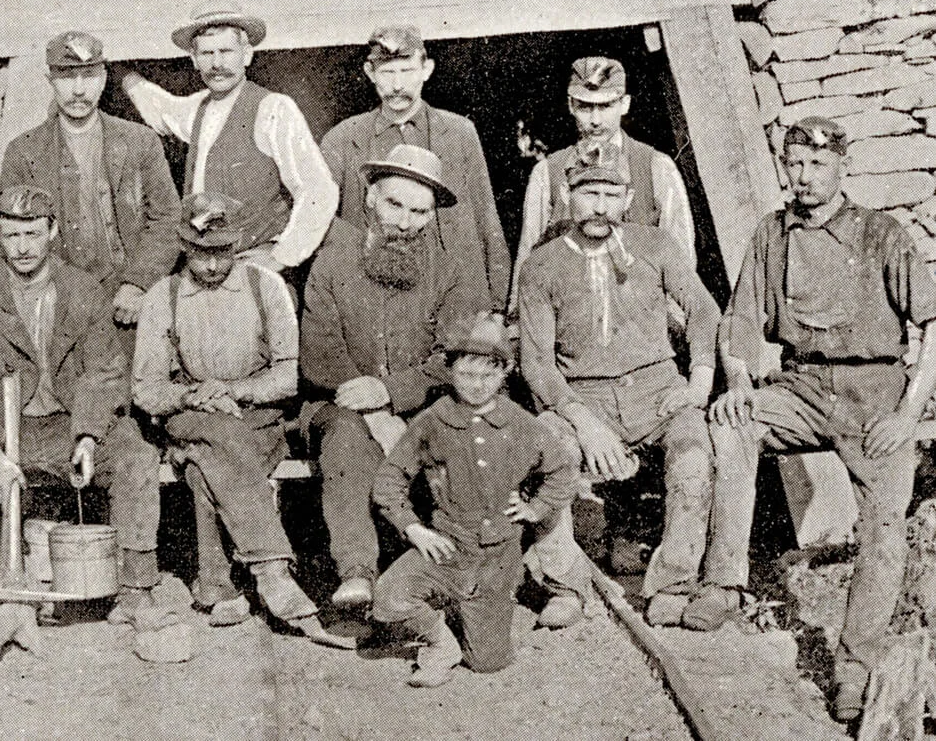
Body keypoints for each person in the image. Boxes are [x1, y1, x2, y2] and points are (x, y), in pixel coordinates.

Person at [688, 116, 936, 722]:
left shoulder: (882, 235)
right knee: (730, 424)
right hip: (801, 383)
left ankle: (854, 665)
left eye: (816, 166)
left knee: (882, 527)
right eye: (794, 165)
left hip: (876, 392)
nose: (803, 177)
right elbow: (741, 321)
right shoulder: (771, 233)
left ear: (841, 169)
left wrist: (908, 413)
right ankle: (724, 580)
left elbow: (932, 324)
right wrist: (741, 380)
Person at [133, 191, 353, 648]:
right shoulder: (163, 296)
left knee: (204, 464)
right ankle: (273, 571)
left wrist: (232, 392)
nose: (213, 266)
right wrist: (197, 395)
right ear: (183, 247)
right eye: (200, 255)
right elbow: (146, 390)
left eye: (222, 253)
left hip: (257, 420)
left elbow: (290, 374)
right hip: (191, 414)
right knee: (215, 433)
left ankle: (218, 587)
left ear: (238, 246)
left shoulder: (264, 287)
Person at [518, 145, 720, 626]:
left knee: (692, 456)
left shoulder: (655, 246)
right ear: (568, 195)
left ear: (629, 198)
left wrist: (700, 382)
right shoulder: (541, 265)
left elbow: (704, 311)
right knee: (548, 447)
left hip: (658, 393)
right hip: (581, 398)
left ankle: (673, 582)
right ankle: (563, 583)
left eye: (612, 194)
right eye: (589, 193)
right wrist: (584, 424)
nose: (600, 206)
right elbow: (538, 364)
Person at [300, 144, 489, 607]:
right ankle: (358, 573)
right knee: (346, 438)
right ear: (370, 198)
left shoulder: (449, 272)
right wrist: (373, 410)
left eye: (420, 211)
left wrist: (389, 394)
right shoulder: (331, 263)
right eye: (394, 204)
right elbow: (320, 354)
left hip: (421, 405)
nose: (405, 222)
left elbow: (454, 357)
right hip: (337, 405)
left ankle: (453, 575)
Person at [0, 185, 162, 611]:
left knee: (135, 455)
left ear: (53, 230)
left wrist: (89, 436)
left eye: (32, 234)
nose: (21, 248)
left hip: (67, 426)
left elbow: (105, 370)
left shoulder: (82, 289)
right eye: (10, 236)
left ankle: (135, 587)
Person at [372, 313, 577, 687]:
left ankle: (498, 605)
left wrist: (537, 508)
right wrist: (414, 530)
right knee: (388, 599)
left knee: (487, 663)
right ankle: (438, 640)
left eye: (488, 375)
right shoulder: (432, 421)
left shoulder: (522, 424)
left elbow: (562, 470)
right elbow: (389, 481)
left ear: (505, 374)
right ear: (450, 372)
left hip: (497, 557)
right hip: (448, 548)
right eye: (467, 375)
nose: (478, 385)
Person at [123, 1, 337, 275]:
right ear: (194, 59)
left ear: (246, 54)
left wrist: (282, 256)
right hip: (203, 266)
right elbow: (161, 109)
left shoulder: (273, 108)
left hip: (251, 266)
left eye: (226, 51)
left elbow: (319, 189)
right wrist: (127, 79)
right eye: (207, 53)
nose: (217, 64)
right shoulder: (197, 108)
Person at [0, 30, 181, 340]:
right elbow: (12, 233)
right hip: (59, 308)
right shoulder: (24, 151)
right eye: (67, 77)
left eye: (89, 75)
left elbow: (167, 217)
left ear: (104, 76)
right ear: (50, 79)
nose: (80, 91)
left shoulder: (139, 141)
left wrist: (137, 283)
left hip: (128, 306)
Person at [320, 25, 510, 312]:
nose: (397, 86)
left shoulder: (459, 132)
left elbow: (486, 219)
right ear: (370, 73)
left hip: (457, 295)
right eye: (387, 73)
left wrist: (497, 306)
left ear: (426, 69)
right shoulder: (343, 139)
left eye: (407, 71)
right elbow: (322, 225)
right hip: (377, 298)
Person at [509, 56, 695, 316]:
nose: (595, 119)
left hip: (641, 324)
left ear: (624, 104)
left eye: (606, 105)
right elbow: (528, 260)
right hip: (572, 323)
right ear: (571, 106)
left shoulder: (657, 168)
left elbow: (681, 263)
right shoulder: (547, 174)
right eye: (585, 107)